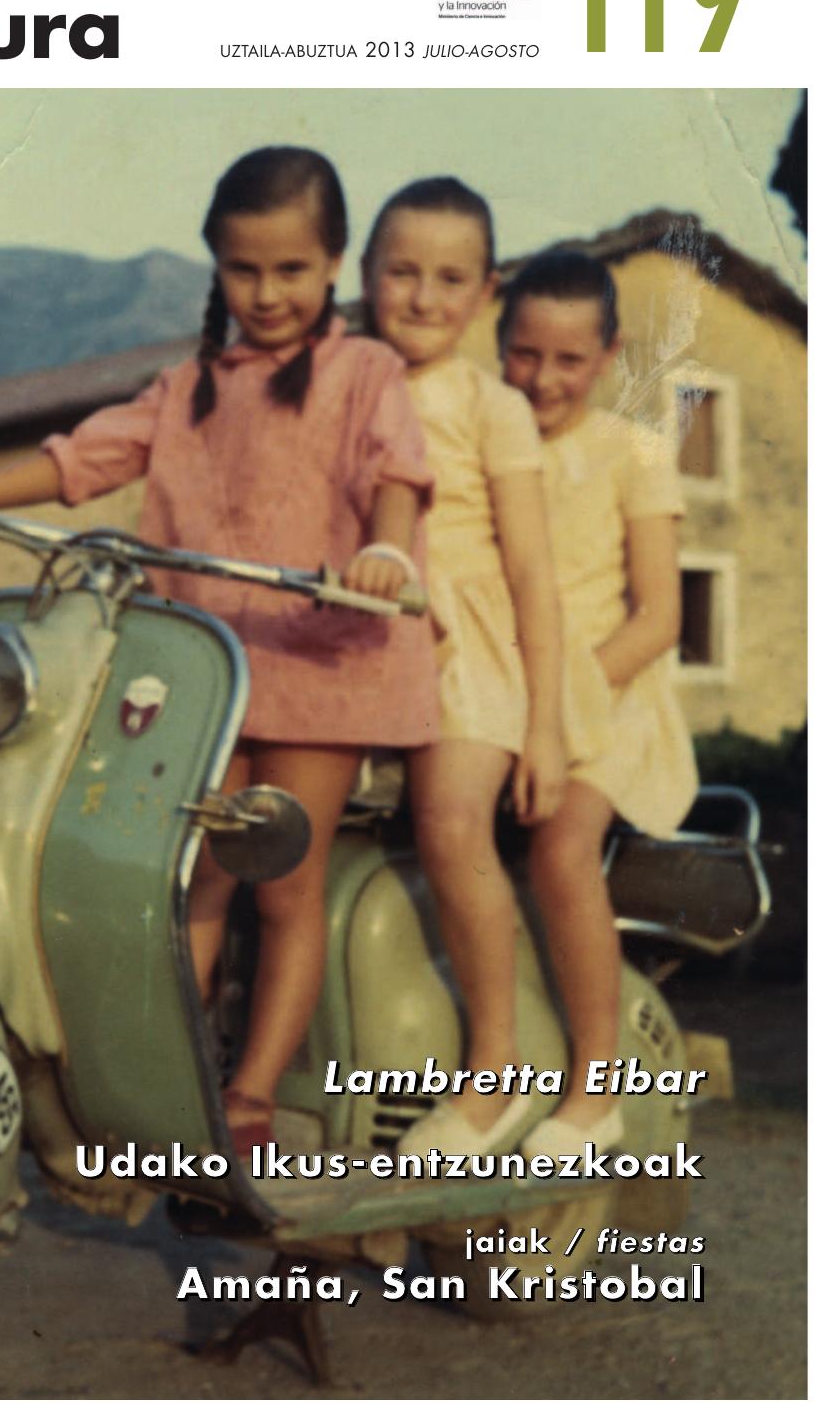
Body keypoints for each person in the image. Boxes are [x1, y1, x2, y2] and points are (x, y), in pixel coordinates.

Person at [0, 146, 438, 1158]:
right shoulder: (186, 387)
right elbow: (80, 459)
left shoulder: (365, 374)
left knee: (284, 880)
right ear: (215, 265)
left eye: (291, 270)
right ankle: (161, 1075)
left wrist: (387, 551)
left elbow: (393, 470)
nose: (266, 293)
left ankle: (252, 1096)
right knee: (190, 874)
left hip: (319, 666)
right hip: (207, 675)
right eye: (243, 269)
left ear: (332, 265)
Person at [362, 176, 566, 1156]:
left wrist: (544, 725)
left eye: (450, 279)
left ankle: (497, 1071)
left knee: (450, 824)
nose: (422, 296)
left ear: (486, 293)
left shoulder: (493, 406)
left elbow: (530, 570)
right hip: (359, 647)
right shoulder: (341, 383)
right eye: (401, 271)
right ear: (364, 273)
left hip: (467, 654)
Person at [498, 249, 698, 1155]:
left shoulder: (635, 452)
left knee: (560, 843)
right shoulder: (487, 444)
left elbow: (658, 618)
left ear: (609, 356)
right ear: (499, 342)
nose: (543, 379)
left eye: (568, 360)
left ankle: (594, 1087)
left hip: (608, 702)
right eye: (524, 353)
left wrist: (557, 703)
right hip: (506, 694)